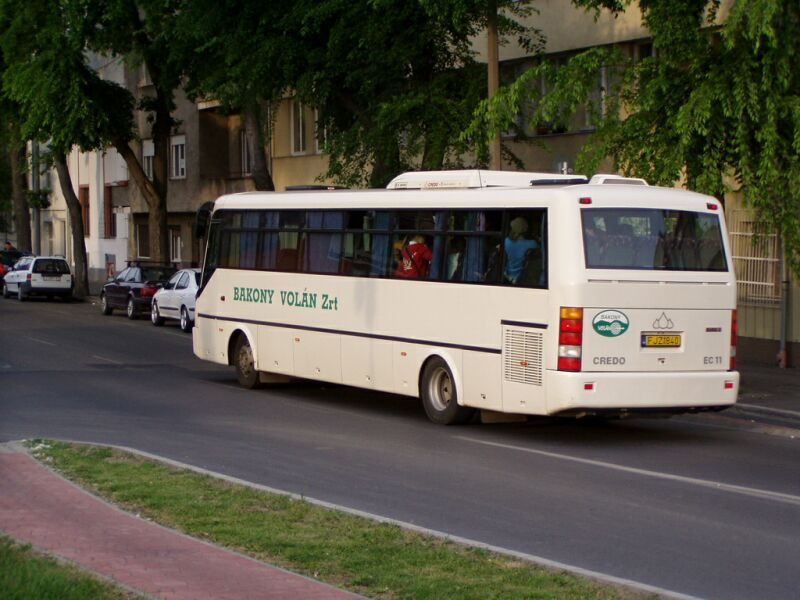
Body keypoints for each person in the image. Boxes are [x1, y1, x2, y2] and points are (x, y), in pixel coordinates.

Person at [503, 217, 538, 284]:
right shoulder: (532, 243)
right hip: (521, 279)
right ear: (525, 230)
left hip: (507, 276)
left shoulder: (506, 241)